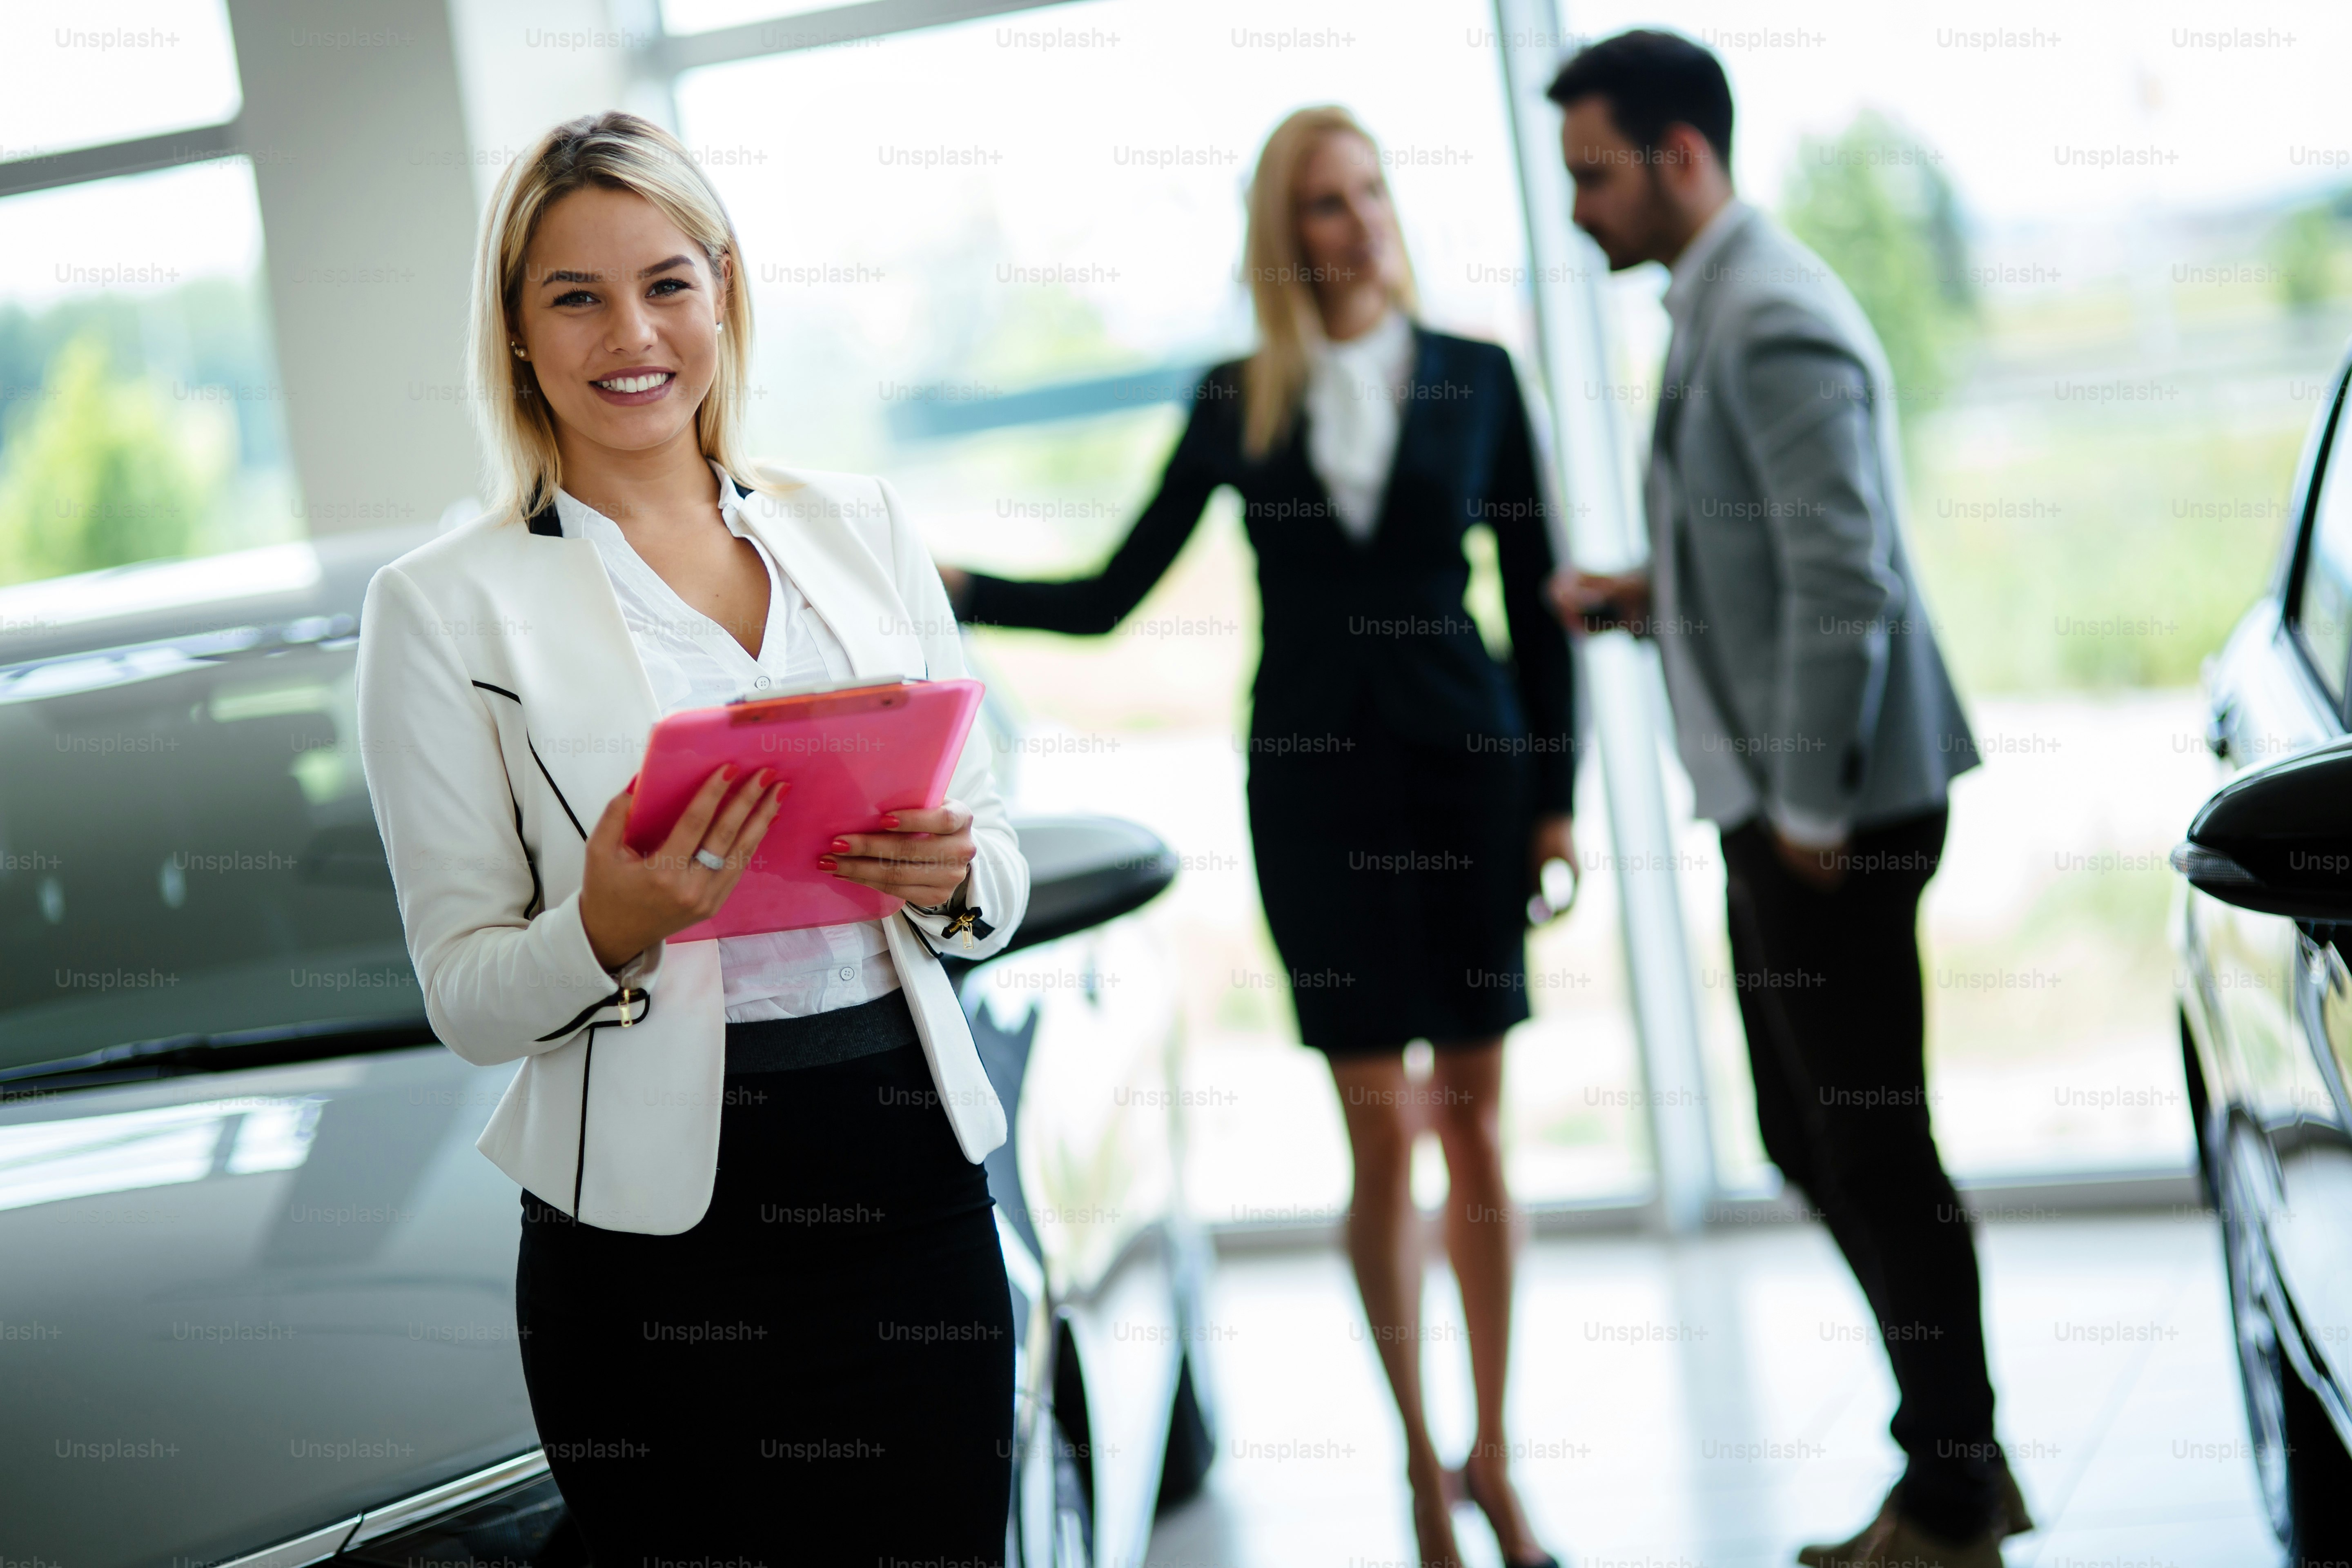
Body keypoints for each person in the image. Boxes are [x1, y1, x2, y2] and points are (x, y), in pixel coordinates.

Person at [354, 111, 1028, 1564]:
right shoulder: (444, 605)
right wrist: (605, 923)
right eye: (575, 296)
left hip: (913, 1192)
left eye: (667, 283)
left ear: (724, 289)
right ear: (517, 332)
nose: (631, 334)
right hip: (655, 1256)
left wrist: (963, 874)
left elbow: (998, 847)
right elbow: (467, 995)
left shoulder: (857, 526)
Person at [940, 106, 1573, 1568]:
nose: (1350, 224)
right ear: (1280, 231)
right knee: (1381, 1132)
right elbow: (1111, 593)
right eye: (1319, 204)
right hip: (1317, 792)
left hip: (1470, 779)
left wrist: (1557, 803)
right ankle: (1420, 1470)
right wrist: (958, 582)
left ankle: (1496, 1457)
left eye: (1366, 192)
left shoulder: (1478, 374)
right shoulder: (1239, 398)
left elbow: (1537, 598)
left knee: (1478, 1124)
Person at [1543, 31, 2027, 1568]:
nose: (1577, 211)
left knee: (1872, 1150)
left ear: (1682, 155)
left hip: (1838, 815)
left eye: (1593, 175)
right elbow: (1774, 547)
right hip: (1799, 807)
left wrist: (1808, 804)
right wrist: (1653, 589)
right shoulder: (1724, 301)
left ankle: (1952, 1493)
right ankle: (1959, 1461)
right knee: (1813, 1137)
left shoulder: (1765, 315)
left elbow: (1844, 575)